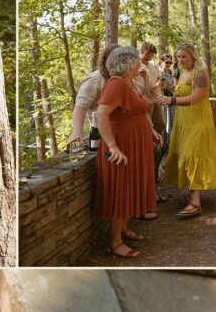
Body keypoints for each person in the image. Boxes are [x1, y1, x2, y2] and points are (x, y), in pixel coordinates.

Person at [92, 46, 162, 259]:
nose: (139, 65)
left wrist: (150, 130)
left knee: (130, 185)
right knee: (120, 190)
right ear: (128, 64)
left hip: (135, 141)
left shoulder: (128, 83)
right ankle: (115, 242)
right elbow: (101, 115)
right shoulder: (116, 84)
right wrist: (113, 147)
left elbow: (135, 110)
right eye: (136, 62)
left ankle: (123, 229)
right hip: (122, 144)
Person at [161, 43, 216, 219]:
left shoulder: (200, 73)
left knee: (193, 157)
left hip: (198, 123)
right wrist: (163, 90)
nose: (180, 60)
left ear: (193, 57)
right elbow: (181, 90)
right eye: (178, 57)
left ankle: (196, 202)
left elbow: (196, 98)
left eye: (184, 56)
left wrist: (171, 100)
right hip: (184, 122)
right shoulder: (182, 72)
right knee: (187, 157)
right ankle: (193, 193)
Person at [65, 45, 119, 150]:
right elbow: (81, 106)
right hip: (102, 134)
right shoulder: (95, 79)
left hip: (121, 131)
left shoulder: (122, 77)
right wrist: (77, 132)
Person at [132, 42, 166, 194]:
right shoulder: (137, 66)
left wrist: (156, 85)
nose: (151, 56)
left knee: (161, 123)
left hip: (156, 97)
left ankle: (156, 143)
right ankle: (152, 150)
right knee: (149, 126)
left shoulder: (152, 65)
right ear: (144, 51)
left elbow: (160, 77)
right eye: (150, 53)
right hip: (145, 101)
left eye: (153, 54)